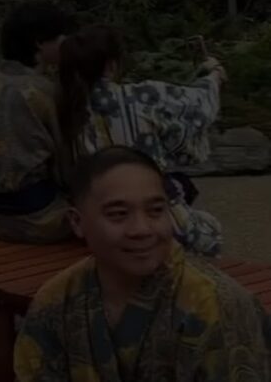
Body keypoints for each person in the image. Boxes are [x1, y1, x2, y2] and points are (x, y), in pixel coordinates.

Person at [14, 146, 271, 382]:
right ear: (77, 222)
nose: (141, 229)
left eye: (156, 210)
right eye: (118, 214)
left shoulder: (216, 305)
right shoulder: (56, 300)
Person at [56, 24, 226, 257]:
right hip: (148, 212)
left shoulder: (65, 106)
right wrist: (214, 74)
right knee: (211, 233)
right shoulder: (142, 97)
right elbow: (199, 104)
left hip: (97, 219)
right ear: (112, 64)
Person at [0, 1, 77, 244]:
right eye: (60, 37)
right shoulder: (42, 91)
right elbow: (67, 162)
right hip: (39, 218)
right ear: (39, 41)